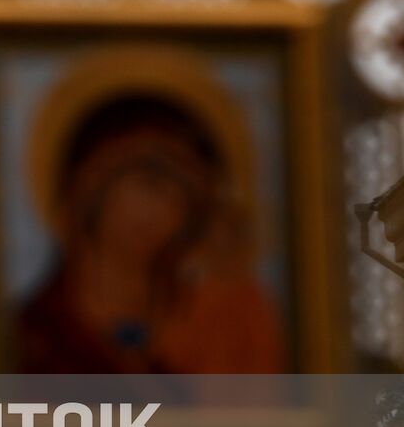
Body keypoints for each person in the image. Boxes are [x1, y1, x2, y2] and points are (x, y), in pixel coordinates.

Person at [17, 94, 286, 375]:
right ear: (89, 183)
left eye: (183, 197)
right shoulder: (33, 337)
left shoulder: (217, 320)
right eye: (149, 184)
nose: (162, 209)